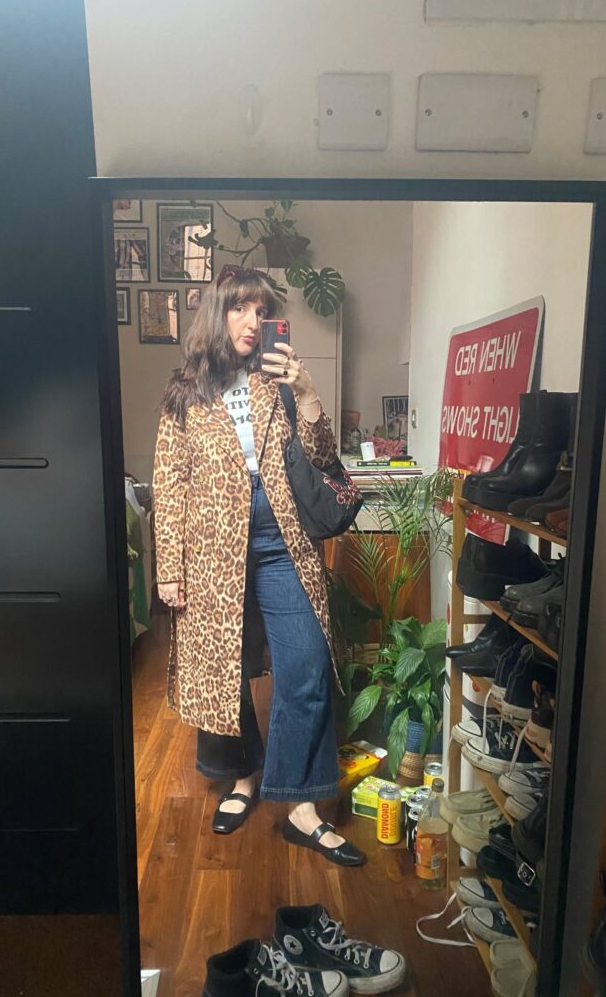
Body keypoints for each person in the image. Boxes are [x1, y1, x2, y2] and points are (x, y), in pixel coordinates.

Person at [152, 264, 365, 867]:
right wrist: (169, 567)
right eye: (239, 308)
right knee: (223, 667)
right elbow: (169, 483)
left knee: (307, 660)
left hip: (282, 537)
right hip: (211, 545)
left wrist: (308, 393)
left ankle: (301, 805)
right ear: (216, 313)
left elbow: (323, 459)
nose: (252, 321)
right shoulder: (185, 392)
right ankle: (242, 777)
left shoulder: (280, 382)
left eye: (261, 310)